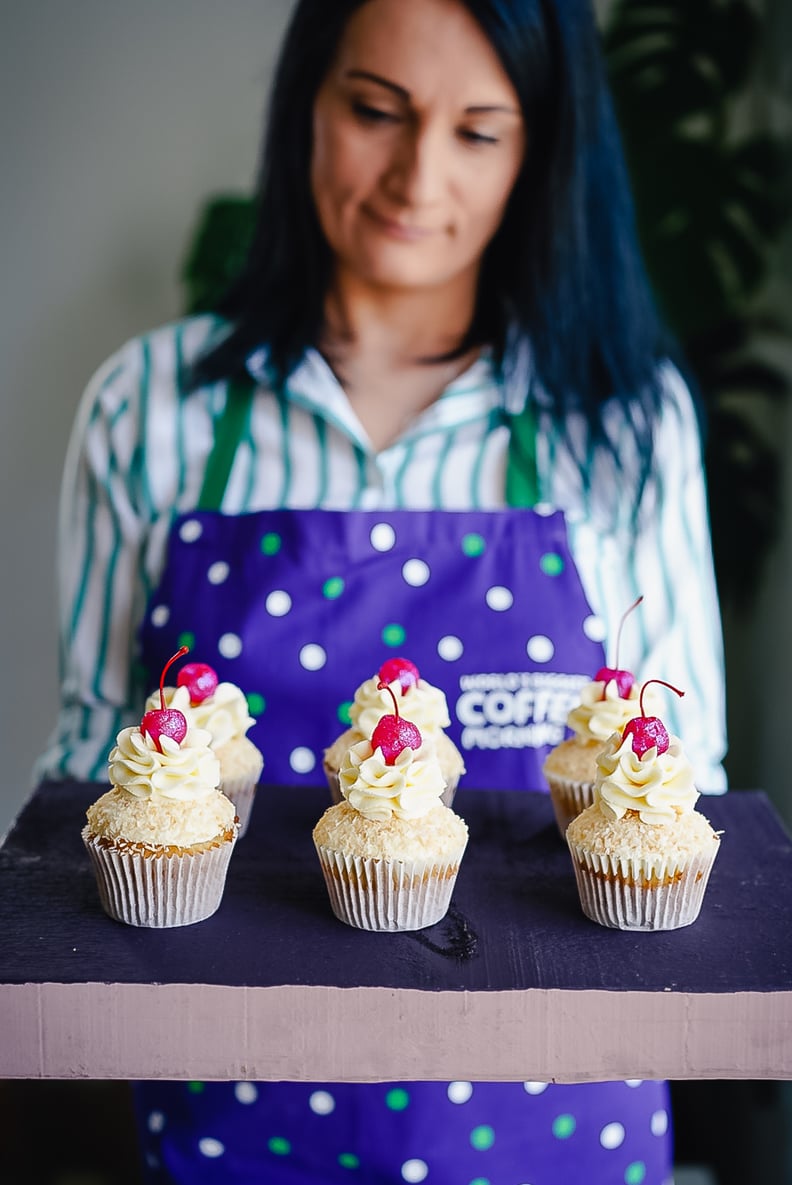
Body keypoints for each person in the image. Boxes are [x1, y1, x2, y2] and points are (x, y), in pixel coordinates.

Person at [39, 0, 727, 1181]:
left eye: (481, 130)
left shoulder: (622, 423)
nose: (417, 175)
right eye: (375, 111)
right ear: (304, 104)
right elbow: (81, 773)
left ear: (542, 149)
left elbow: (686, 780)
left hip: (554, 1118)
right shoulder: (150, 413)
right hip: (229, 1103)